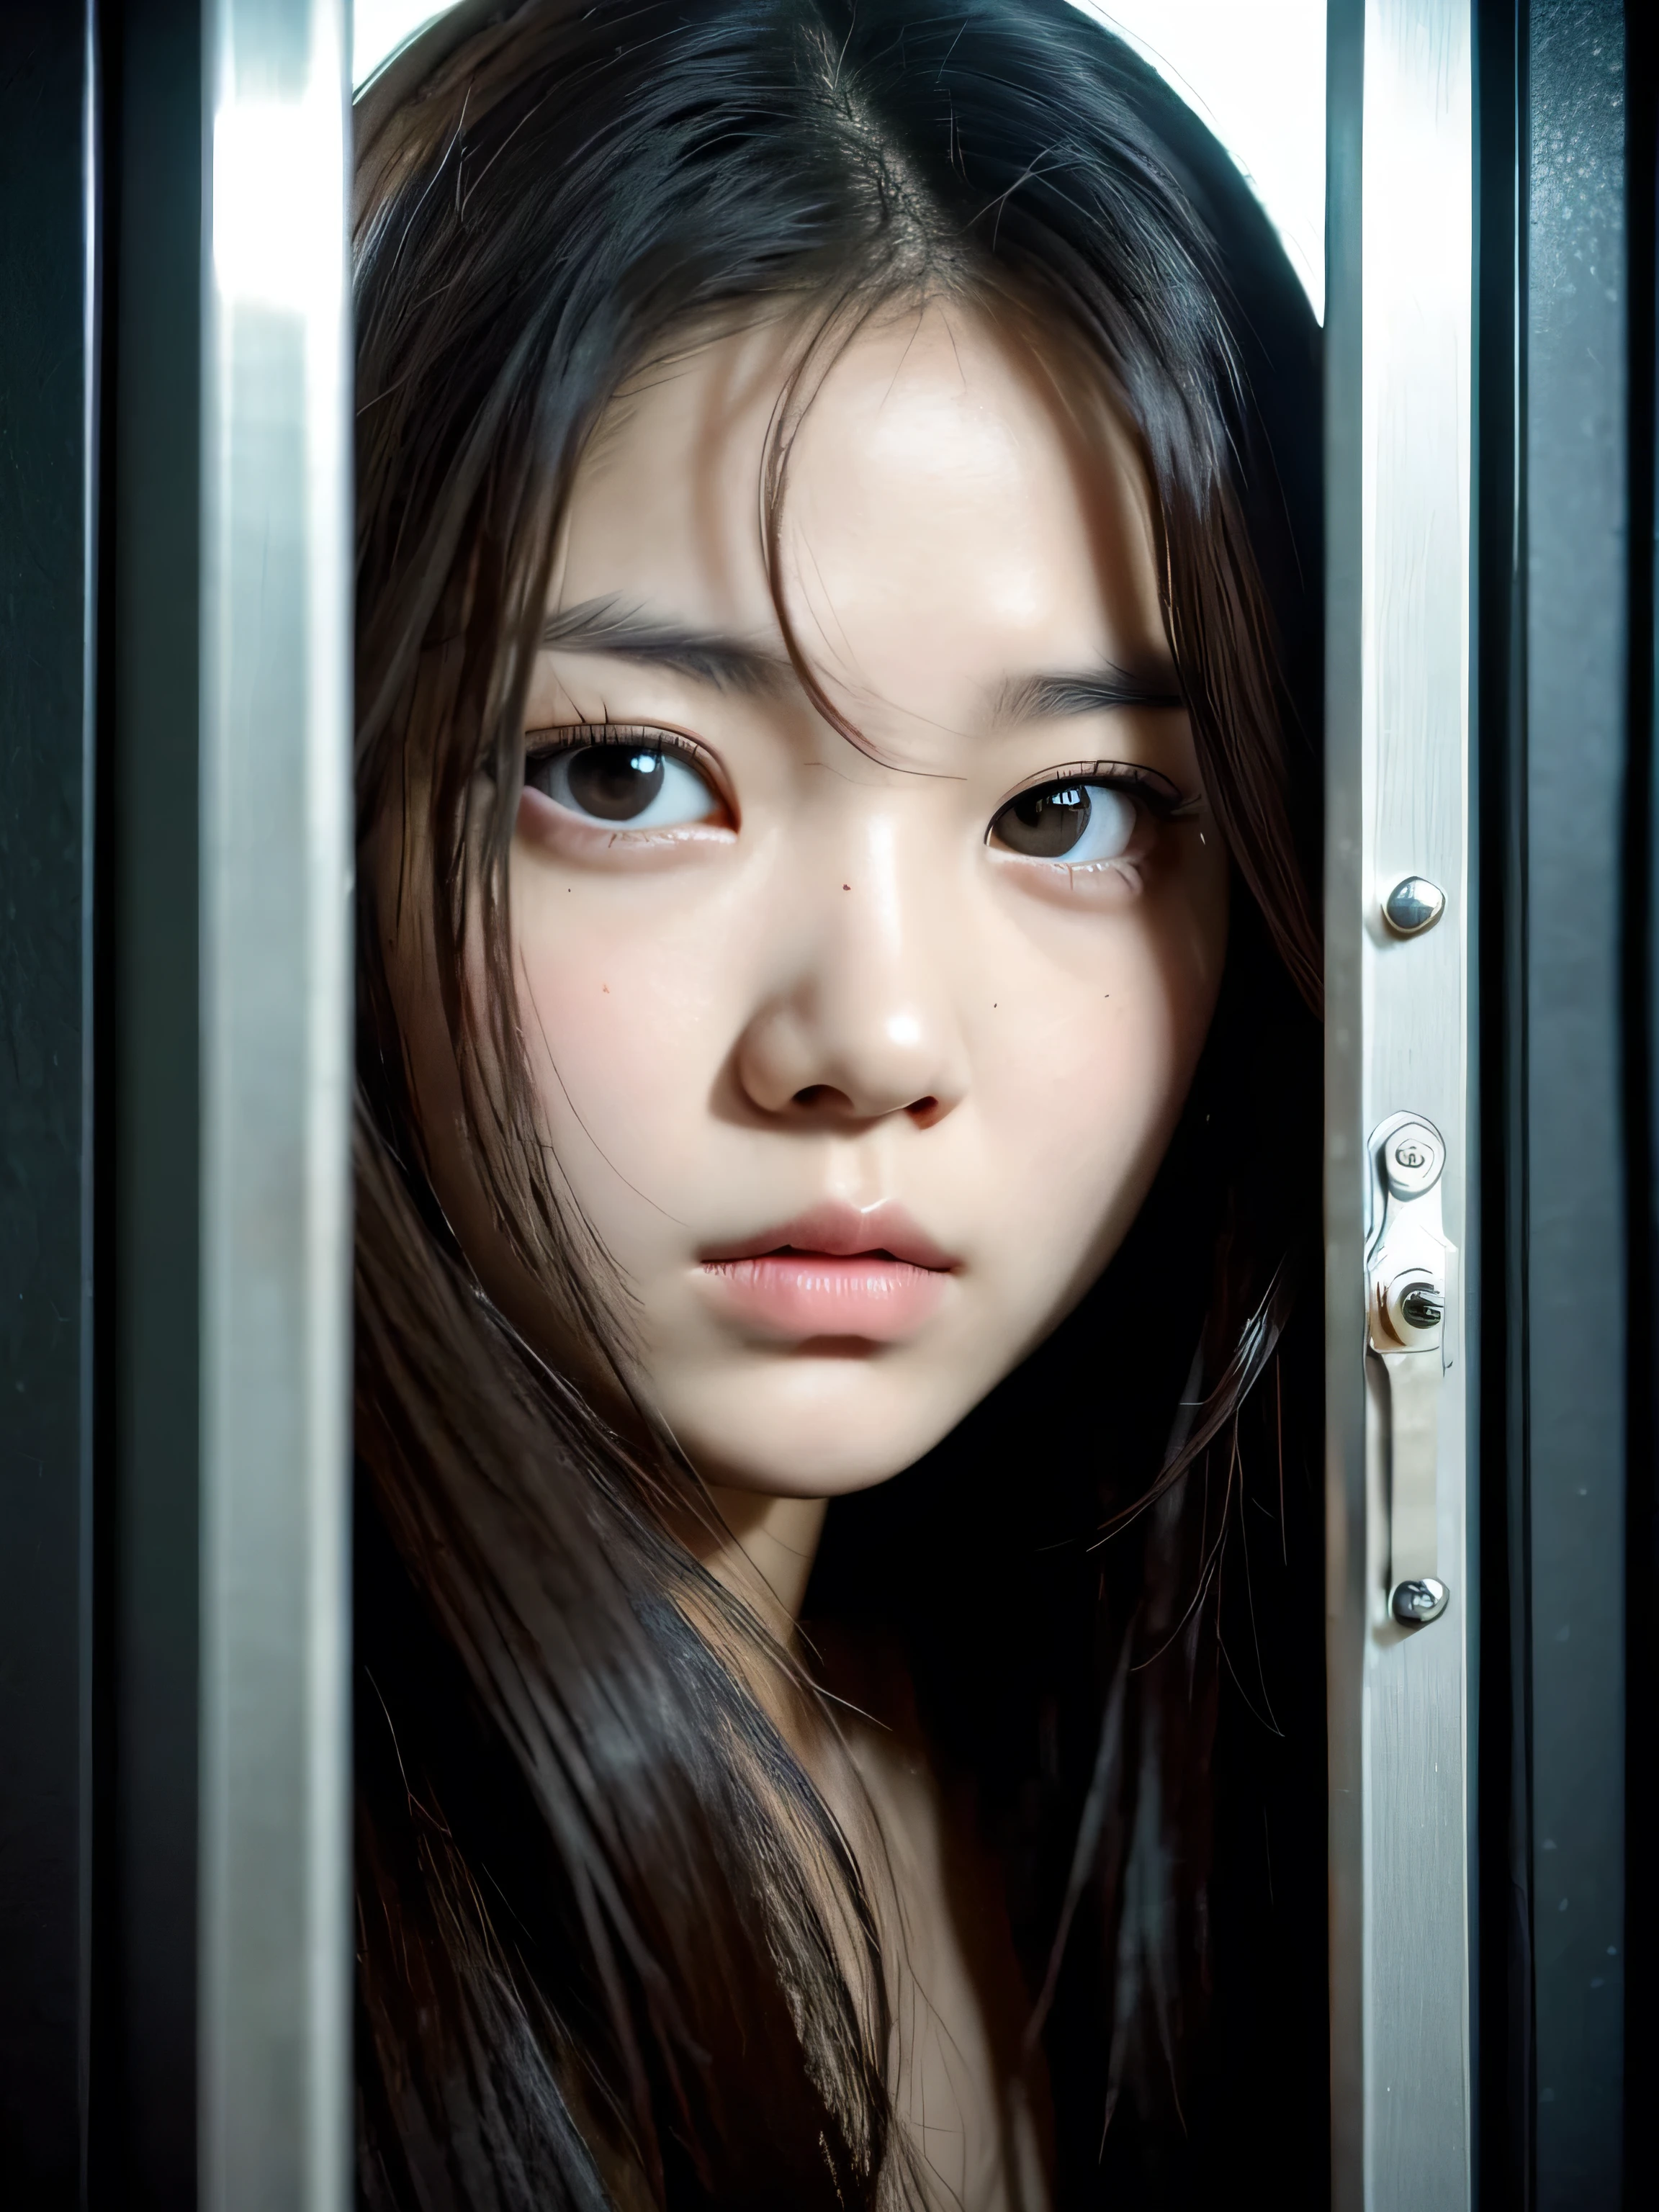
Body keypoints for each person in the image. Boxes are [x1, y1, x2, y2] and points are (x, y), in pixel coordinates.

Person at [351, 1, 1326, 2203]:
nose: (874, 1040)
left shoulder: (1204, 1830)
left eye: (1077, 809)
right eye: (625, 776)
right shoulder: (183, 1918)